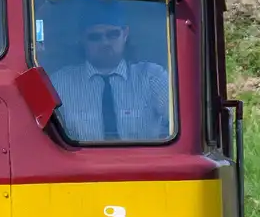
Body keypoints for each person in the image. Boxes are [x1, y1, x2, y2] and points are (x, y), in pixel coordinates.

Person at [51, 8, 172, 143]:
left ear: (125, 34)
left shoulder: (152, 77)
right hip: (83, 157)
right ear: (82, 39)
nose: (105, 43)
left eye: (113, 34)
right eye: (95, 37)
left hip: (144, 157)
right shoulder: (60, 83)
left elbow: (182, 123)